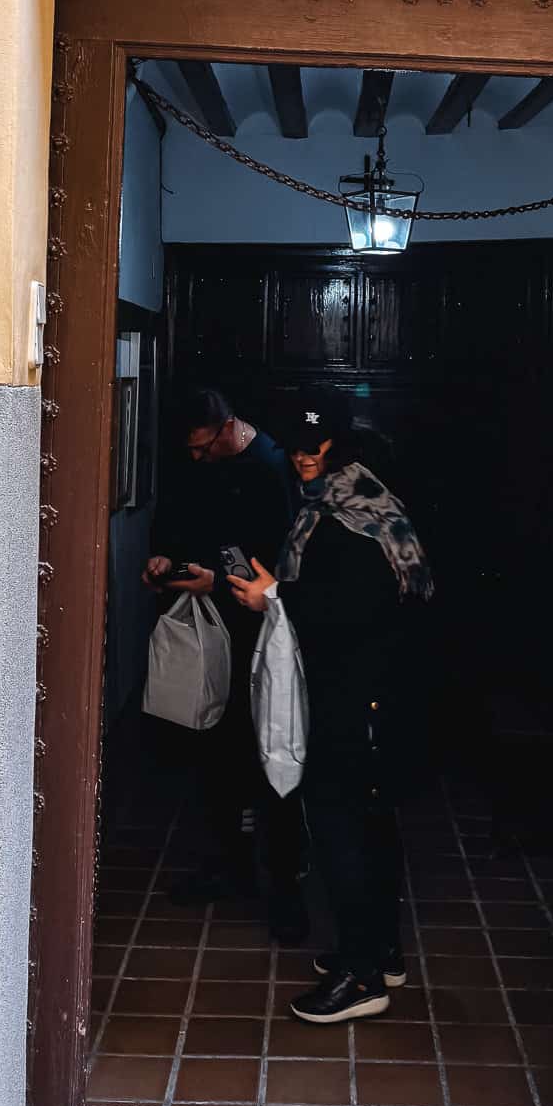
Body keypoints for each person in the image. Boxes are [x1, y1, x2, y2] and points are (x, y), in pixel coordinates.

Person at [229, 392, 434, 1024]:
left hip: (356, 697)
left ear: (338, 445)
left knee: (342, 825)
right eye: (295, 446)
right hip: (371, 694)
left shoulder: (349, 516)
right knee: (369, 821)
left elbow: (349, 609)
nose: (304, 456)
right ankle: (381, 952)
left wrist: (273, 600)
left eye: (315, 446)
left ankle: (361, 975)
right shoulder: (352, 499)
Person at [143, 385, 306, 941]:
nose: (197, 457)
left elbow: (279, 556)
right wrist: (166, 554)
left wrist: (217, 579)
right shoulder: (206, 463)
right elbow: (185, 521)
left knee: (267, 755)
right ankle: (228, 868)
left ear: (229, 427)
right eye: (190, 449)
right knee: (215, 751)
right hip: (216, 627)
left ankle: (283, 890)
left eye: (204, 446)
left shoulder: (271, 467)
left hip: (260, 631)